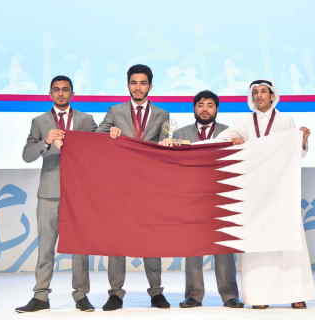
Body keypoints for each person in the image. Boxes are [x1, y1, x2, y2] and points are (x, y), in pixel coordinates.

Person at [217, 80, 315, 309]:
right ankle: (259, 297)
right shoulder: (243, 123)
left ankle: (295, 294)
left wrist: (302, 140)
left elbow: (295, 154)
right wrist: (236, 142)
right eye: (255, 92)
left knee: (288, 241)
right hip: (254, 194)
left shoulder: (286, 121)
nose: (259, 95)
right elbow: (222, 141)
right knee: (257, 243)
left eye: (264, 91)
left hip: (281, 191)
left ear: (273, 96)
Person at [16, 75, 97, 313]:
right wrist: (45, 142)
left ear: (72, 93)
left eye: (65, 90)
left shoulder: (85, 119)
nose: (61, 93)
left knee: (79, 248)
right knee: (46, 246)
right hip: (50, 194)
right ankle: (41, 296)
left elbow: (96, 151)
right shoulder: (39, 121)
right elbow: (27, 155)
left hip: (78, 193)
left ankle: (81, 295)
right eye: (56, 90)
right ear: (50, 94)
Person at [96, 64, 170, 310]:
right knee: (116, 240)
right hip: (121, 186)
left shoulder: (162, 114)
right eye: (134, 83)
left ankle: (156, 292)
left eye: (143, 83)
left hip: (149, 186)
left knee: (152, 239)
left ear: (150, 85)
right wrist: (110, 135)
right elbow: (96, 137)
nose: (138, 87)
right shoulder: (115, 111)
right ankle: (115, 293)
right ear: (127, 85)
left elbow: (165, 145)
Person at [171, 90, 243, 308]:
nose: (204, 109)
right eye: (200, 104)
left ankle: (229, 295)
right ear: (194, 108)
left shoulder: (230, 133)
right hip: (191, 198)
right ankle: (193, 295)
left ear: (216, 109)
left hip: (222, 196)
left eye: (209, 105)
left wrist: (241, 144)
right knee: (192, 248)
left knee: (224, 248)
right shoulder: (179, 133)